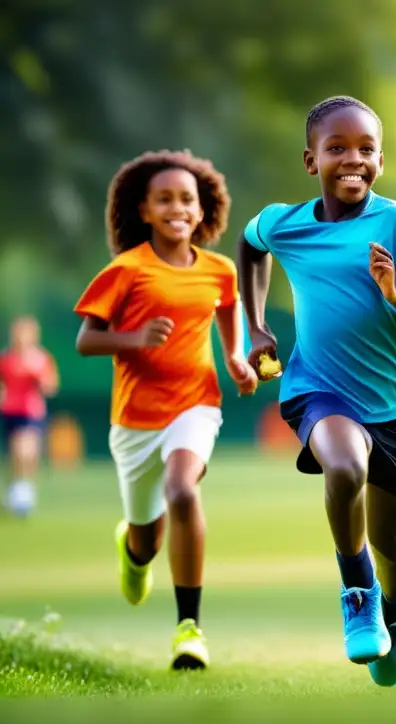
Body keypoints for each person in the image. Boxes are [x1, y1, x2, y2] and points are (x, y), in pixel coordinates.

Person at [239, 95, 396, 688]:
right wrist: (257, 322)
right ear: (309, 159)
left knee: (390, 537)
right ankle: (358, 594)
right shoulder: (286, 224)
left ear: (381, 161)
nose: (352, 160)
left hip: (395, 403)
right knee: (343, 469)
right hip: (317, 389)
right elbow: (249, 243)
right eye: (336, 148)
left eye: (365, 149)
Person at [74, 150, 257, 670]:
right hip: (133, 420)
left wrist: (236, 360)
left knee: (182, 488)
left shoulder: (219, 270)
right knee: (145, 538)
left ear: (202, 212)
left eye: (187, 199)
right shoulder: (127, 270)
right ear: (145, 211)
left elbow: (228, 310)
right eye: (165, 200)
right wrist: (135, 338)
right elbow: (87, 340)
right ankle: (133, 552)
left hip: (195, 404)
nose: (177, 208)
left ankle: (189, 630)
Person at [0, 316, 59, 516]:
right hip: (10, 410)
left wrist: (39, 379)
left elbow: (51, 385)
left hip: (32, 411)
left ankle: (26, 489)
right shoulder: (6, 359)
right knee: (17, 452)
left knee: (29, 451)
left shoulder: (40, 359)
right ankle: (16, 488)